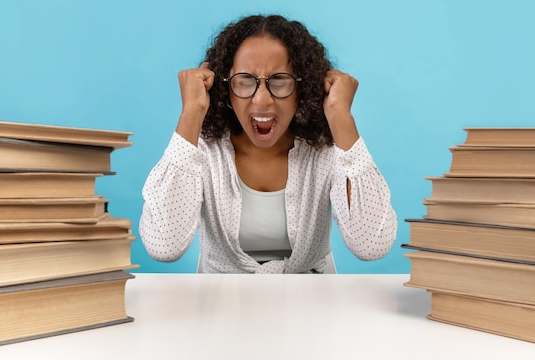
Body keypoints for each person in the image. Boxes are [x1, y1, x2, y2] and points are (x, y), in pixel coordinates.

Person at [139, 14, 397, 273]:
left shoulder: (324, 151)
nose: (261, 99)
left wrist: (340, 114)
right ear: (225, 86)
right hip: (220, 302)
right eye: (245, 80)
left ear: (302, 87)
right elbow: (164, 246)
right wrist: (192, 111)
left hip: (313, 302)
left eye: (280, 80)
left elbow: (372, 245)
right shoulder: (203, 151)